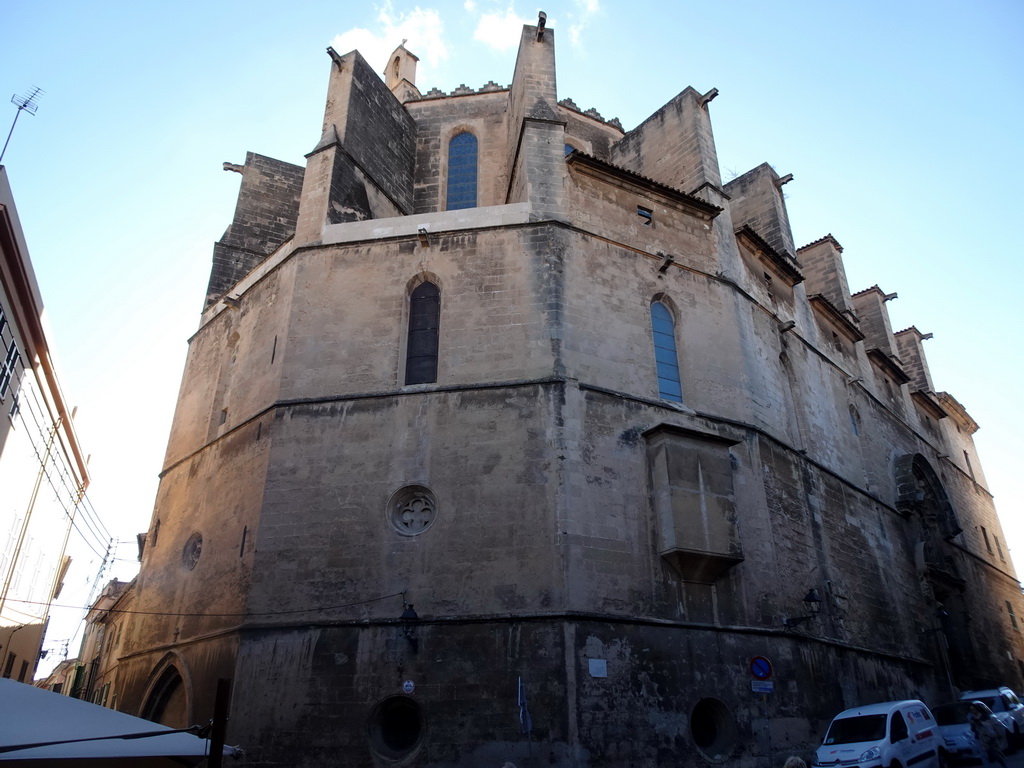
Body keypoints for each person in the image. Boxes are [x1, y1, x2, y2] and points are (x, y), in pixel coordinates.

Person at [968, 700, 1009, 768]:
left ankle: (1003, 765)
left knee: (995, 753)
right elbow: (973, 730)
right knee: (984, 755)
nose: (973, 711)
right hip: (979, 738)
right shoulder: (972, 719)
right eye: (971, 710)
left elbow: (989, 725)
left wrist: (980, 723)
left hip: (989, 737)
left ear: (977, 709)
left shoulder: (984, 716)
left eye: (973, 709)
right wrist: (973, 724)